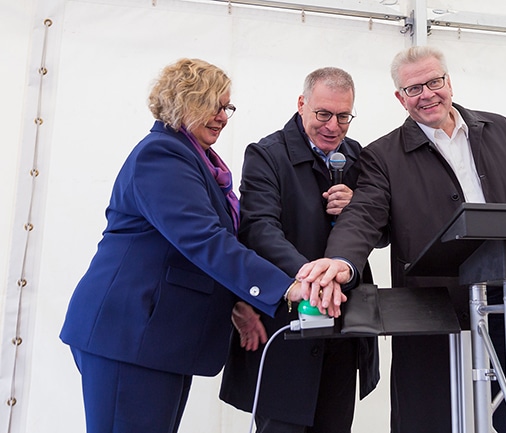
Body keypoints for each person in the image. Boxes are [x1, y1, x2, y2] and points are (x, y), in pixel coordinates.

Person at [297, 46, 506, 432]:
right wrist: (341, 261)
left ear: (449, 82)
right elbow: (364, 215)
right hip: (440, 304)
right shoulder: (382, 156)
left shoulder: (502, 130)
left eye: (434, 82)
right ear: (400, 98)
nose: (426, 94)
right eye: (413, 89)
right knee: (438, 414)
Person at [59, 58, 341, 433]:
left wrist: (238, 303)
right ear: (182, 101)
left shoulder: (201, 160)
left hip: (159, 339)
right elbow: (205, 239)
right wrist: (287, 287)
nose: (223, 116)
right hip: (129, 333)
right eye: (213, 105)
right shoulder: (161, 155)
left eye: (227, 107)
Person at [219, 67, 379, 433]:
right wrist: (312, 277)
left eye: (343, 117)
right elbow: (259, 228)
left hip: (344, 326)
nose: (333, 126)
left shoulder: (358, 158)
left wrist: (358, 208)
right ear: (301, 104)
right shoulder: (267, 154)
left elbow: (381, 232)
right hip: (286, 320)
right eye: (323, 114)